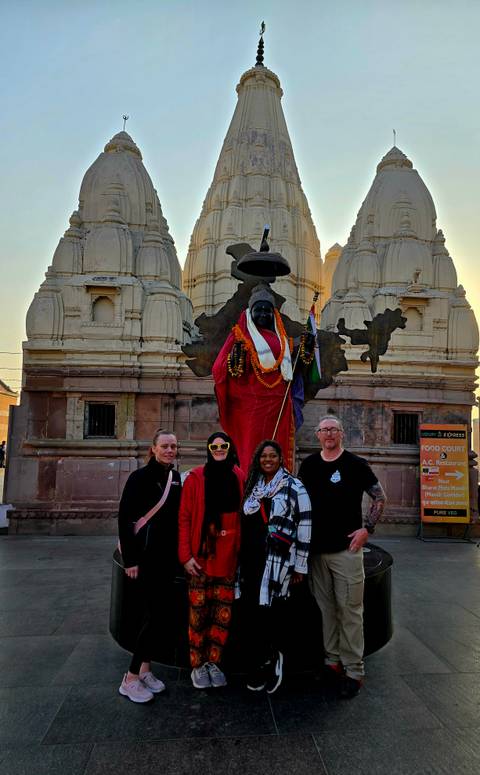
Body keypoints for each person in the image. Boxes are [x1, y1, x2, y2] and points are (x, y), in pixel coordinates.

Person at [298, 415, 386, 699]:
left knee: (350, 611)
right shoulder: (309, 465)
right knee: (326, 610)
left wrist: (367, 529)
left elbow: (379, 497)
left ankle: (353, 670)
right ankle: (331, 662)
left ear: (342, 434)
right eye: (324, 430)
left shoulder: (356, 465)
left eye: (333, 430)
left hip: (346, 551)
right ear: (317, 435)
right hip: (316, 552)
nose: (329, 435)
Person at [212, 284, 313, 473]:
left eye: (268, 311)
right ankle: (252, 494)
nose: (264, 314)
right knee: (252, 453)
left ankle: (277, 495)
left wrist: (305, 350)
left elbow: (291, 371)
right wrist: (236, 360)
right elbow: (220, 368)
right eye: (259, 310)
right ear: (251, 312)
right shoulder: (241, 336)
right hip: (251, 407)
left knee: (278, 451)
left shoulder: (283, 340)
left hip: (279, 405)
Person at [240, 439, 311, 694]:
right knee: (255, 614)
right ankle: (261, 662)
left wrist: (301, 567)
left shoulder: (294, 486)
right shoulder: (253, 486)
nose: (267, 460)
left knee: (274, 613)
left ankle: (276, 661)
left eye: (272, 456)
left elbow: (305, 526)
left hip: (278, 562)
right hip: (251, 561)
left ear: (281, 459)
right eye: (263, 456)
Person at [117, 429, 181, 703]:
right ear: (153, 449)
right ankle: (129, 679)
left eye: (173, 447)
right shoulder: (139, 477)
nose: (169, 450)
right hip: (144, 558)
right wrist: (130, 560)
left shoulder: (175, 478)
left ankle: (144, 669)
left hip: (166, 557)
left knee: (160, 616)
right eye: (165, 446)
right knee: (150, 618)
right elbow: (125, 519)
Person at [179, 431, 244, 689]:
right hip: (200, 559)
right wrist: (185, 556)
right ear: (208, 449)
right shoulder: (195, 478)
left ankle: (213, 663)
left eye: (223, 445)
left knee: (222, 616)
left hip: (228, 559)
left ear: (229, 448)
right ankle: (197, 665)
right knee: (198, 615)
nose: (219, 449)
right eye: (214, 445)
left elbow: (243, 516)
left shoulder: (239, 476)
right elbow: (184, 518)